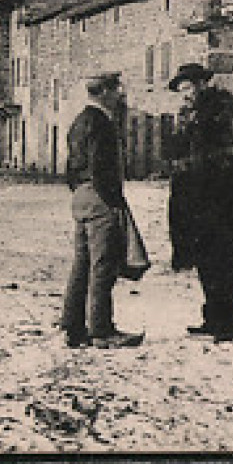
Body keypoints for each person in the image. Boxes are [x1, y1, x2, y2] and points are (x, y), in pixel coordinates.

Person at [166, 62, 233, 342]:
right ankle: (212, 318)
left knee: (221, 260)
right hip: (195, 199)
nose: (184, 94)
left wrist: (194, 164)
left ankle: (230, 323)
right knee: (203, 259)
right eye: (181, 90)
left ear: (201, 84)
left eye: (187, 88)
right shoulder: (189, 114)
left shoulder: (224, 109)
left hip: (221, 200)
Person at [60, 72, 144, 349]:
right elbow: (100, 167)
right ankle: (101, 330)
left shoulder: (78, 121)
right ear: (104, 92)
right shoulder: (101, 123)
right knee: (102, 265)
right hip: (100, 198)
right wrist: (113, 199)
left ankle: (73, 327)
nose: (121, 94)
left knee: (81, 264)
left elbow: (71, 169)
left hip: (81, 197)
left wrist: (81, 192)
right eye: (117, 89)